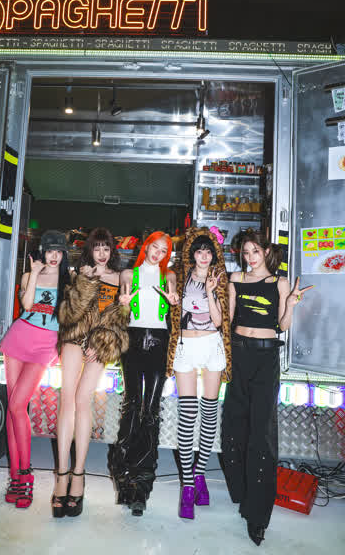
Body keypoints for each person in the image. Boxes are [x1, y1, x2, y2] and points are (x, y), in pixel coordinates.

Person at [220, 229, 313, 546]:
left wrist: (291, 304)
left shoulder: (279, 283)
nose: (250, 258)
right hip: (239, 353)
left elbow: (282, 325)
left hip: (265, 357)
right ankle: (241, 492)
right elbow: (228, 320)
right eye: (245, 253)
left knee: (261, 431)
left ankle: (257, 515)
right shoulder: (236, 279)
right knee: (234, 425)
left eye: (255, 252)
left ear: (266, 252)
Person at [53, 227, 129, 518]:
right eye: (97, 248)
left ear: (112, 251)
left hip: (100, 344)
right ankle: (62, 475)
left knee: (83, 400)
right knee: (67, 400)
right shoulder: (79, 274)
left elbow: (121, 320)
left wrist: (103, 342)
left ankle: (79, 474)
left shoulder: (121, 278)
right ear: (89, 250)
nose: (101, 253)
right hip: (74, 337)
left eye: (106, 248)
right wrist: (84, 281)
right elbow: (68, 315)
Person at [109, 231, 179, 516]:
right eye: (155, 247)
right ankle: (124, 479)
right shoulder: (128, 274)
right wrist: (123, 303)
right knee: (132, 406)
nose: (158, 254)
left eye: (163, 251)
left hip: (158, 340)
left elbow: (174, 298)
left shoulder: (169, 275)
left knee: (151, 410)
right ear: (146, 246)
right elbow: (123, 302)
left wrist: (174, 300)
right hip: (133, 339)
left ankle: (142, 486)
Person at [0, 230, 70, 508]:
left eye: (59, 251)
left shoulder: (68, 280)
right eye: (50, 250)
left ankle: (26, 475)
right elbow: (27, 305)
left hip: (45, 345)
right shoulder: (31, 275)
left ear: (63, 255)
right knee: (13, 409)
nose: (54, 256)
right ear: (42, 251)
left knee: (18, 404)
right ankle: (16, 477)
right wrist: (34, 274)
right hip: (19, 337)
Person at [166, 226, 232, 519]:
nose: (203, 256)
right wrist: (172, 299)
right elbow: (170, 295)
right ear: (192, 254)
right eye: (199, 251)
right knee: (187, 414)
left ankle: (199, 472)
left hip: (211, 346)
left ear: (213, 254)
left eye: (208, 251)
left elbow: (219, 322)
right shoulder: (180, 276)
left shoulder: (220, 279)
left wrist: (210, 292)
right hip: (185, 346)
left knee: (209, 413)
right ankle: (188, 485)